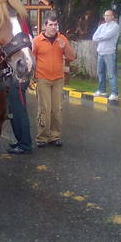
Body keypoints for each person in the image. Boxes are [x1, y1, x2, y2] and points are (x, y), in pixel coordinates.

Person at [32, 12, 75, 148]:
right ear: (45, 26)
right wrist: (31, 77)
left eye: (55, 25)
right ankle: (42, 137)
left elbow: (72, 57)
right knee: (45, 108)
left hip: (58, 79)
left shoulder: (62, 39)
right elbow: (32, 60)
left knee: (56, 109)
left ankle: (54, 136)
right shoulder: (37, 41)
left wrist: (65, 47)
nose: (53, 27)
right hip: (42, 78)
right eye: (50, 25)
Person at [92, 10, 120, 101]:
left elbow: (108, 36)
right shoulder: (101, 26)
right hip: (100, 52)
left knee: (111, 74)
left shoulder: (115, 26)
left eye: (109, 15)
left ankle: (114, 93)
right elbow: (94, 37)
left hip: (109, 53)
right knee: (100, 72)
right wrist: (101, 37)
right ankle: (102, 90)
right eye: (105, 15)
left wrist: (101, 37)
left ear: (112, 16)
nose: (106, 17)